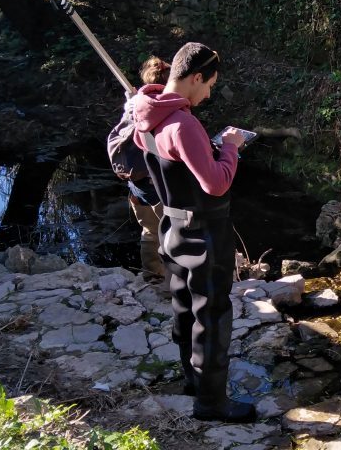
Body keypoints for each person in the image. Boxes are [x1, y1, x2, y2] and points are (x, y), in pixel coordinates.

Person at [131, 42, 255, 422]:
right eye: (210, 85)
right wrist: (231, 147)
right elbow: (215, 184)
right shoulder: (183, 123)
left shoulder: (145, 112)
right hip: (205, 233)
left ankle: (192, 381)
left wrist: (209, 149)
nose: (208, 94)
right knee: (213, 314)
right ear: (196, 77)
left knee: (185, 307)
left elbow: (175, 164)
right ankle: (212, 403)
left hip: (172, 226)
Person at [125, 56, 170, 281]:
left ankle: (152, 274)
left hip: (136, 183)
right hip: (157, 183)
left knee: (150, 231)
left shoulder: (133, 104)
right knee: (173, 232)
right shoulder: (163, 108)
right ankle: (177, 279)